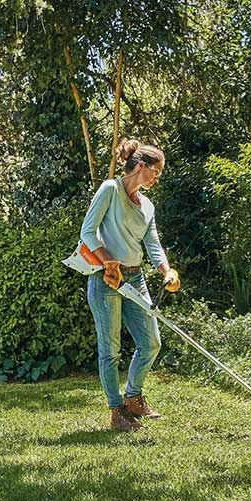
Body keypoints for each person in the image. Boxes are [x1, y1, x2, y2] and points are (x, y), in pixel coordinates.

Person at [80, 138, 180, 431]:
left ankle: (133, 396)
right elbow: (88, 231)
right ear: (140, 166)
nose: (156, 179)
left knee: (151, 343)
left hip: (134, 278)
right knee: (109, 350)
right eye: (155, 172)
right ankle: (116, 411)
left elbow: (153, 244)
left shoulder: (147, 205)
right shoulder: (110, 189)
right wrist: (109, 263)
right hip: (106, 278)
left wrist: (166, 271)